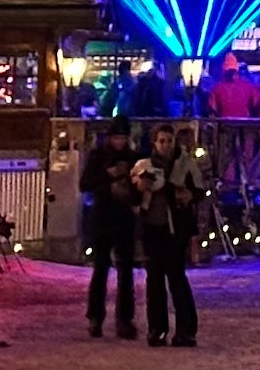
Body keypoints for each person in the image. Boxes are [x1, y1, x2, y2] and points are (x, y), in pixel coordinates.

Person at [137, 121, 204, 346]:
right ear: (155, 144)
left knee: (176, 279)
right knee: (154, 281)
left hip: (175, 229)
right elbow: (136, 193)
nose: (166, 145)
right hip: (153, 228)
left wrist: (189, 195)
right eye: (162, 141)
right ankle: (157, 329)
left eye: (169, 141)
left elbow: (199, 189)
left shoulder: (185, 164)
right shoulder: (145, 165)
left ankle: (186, 330)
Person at [79, 120, 140, 338]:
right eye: (116, 138)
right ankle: (95, 317)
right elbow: (85, 184)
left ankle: (124, 319)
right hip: (103, 216)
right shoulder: (98, 157)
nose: (119, 142)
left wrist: (130, 192)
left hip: (124, 218)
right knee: (101, 268)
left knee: (125, 270)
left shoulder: (133, 159)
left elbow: (139, 191)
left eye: (123, 138)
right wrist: (108, 177)